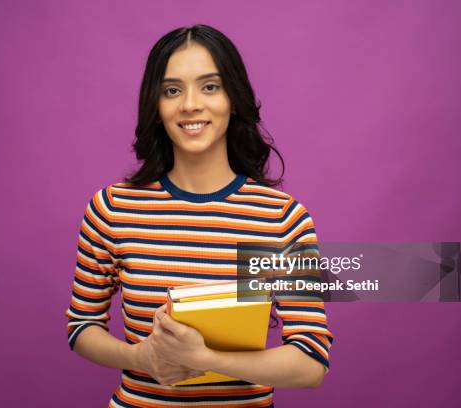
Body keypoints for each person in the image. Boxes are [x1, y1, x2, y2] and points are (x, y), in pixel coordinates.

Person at [65, 24, 333, 407]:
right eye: (172, 90)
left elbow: (311, 362)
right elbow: (82, 326)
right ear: (155, 107)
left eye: (210, 86)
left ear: (234, 100)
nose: (190, 104)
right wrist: (139, 357)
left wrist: (205, 360)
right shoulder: (112, 209)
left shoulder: (281, 219)